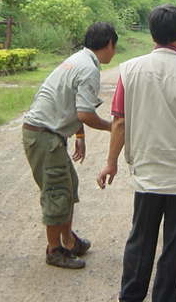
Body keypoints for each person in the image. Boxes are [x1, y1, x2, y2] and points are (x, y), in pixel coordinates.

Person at [97, 4, 176, 302]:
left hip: (147, 173)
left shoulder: (130, 70)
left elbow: (120, 122)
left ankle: (130, 297)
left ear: (152, 34)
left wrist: (111, 162)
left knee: (140, 241)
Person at [23, 22, 117, 269]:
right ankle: (55, 250)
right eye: (114, 46)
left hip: (45, 134)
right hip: (44, 136)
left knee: (68, 185)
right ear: (109, 44)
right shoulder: (89, 69)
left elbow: (71, 104)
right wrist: (112, 127)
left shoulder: (78, 60)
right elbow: (85, 113)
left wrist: (80, 135)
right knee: (57, 191)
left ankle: (69, 240)